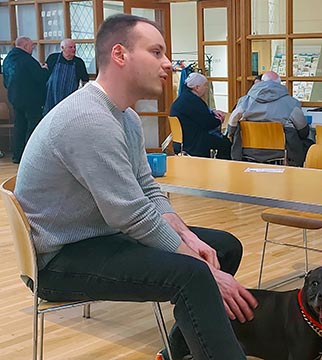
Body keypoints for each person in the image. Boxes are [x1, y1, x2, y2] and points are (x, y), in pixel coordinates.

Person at [14, 14, 256, 360]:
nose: (169, 64)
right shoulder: (90, 118)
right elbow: (129, 213)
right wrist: (197, 263)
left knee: (222, 248)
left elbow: (147, 189)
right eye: (156, 52)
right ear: (120, 55)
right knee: (194, 274)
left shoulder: (123, 115)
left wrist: (191, 240)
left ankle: (177, 351)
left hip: (98, 235)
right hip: (59, 259)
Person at [227, 71, 313, 166]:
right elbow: (303, 131)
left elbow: (232, 123)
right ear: (279, 84)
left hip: (249, 151)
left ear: (262, 82)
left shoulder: (244, 101)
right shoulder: (291, 103)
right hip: (283, 152)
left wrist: (231, 132)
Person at [2, 36, 49, 164]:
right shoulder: (27, 60)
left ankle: (17, 155)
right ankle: (30, 156)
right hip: (31, 99)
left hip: (14, 98)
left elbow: (6, 82)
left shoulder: (7, 60)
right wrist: (44, 69)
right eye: (32, 46)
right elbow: (40, 77)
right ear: (25, 46)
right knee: (33, 126)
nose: (33, 48)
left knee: (19, 126)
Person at [170, 72, 232, 159]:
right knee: (226, 144)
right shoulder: (193, 101)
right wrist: (219, 119)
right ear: (197, 87)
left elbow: (200, 115)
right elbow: (209, 123)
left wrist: (212, 112)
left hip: (182, 141)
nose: (206, 88)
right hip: (194, 143)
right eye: (205, 85)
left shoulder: (184, 98)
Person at [43, 38, 90, 114]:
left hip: (70, 100)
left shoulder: (79, 62)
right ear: (62, 48)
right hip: (52, 98)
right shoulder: (53, 58)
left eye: (74, 47)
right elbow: (45, 75)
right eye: (70, 47)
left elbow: (85, 81)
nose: (74, 49)